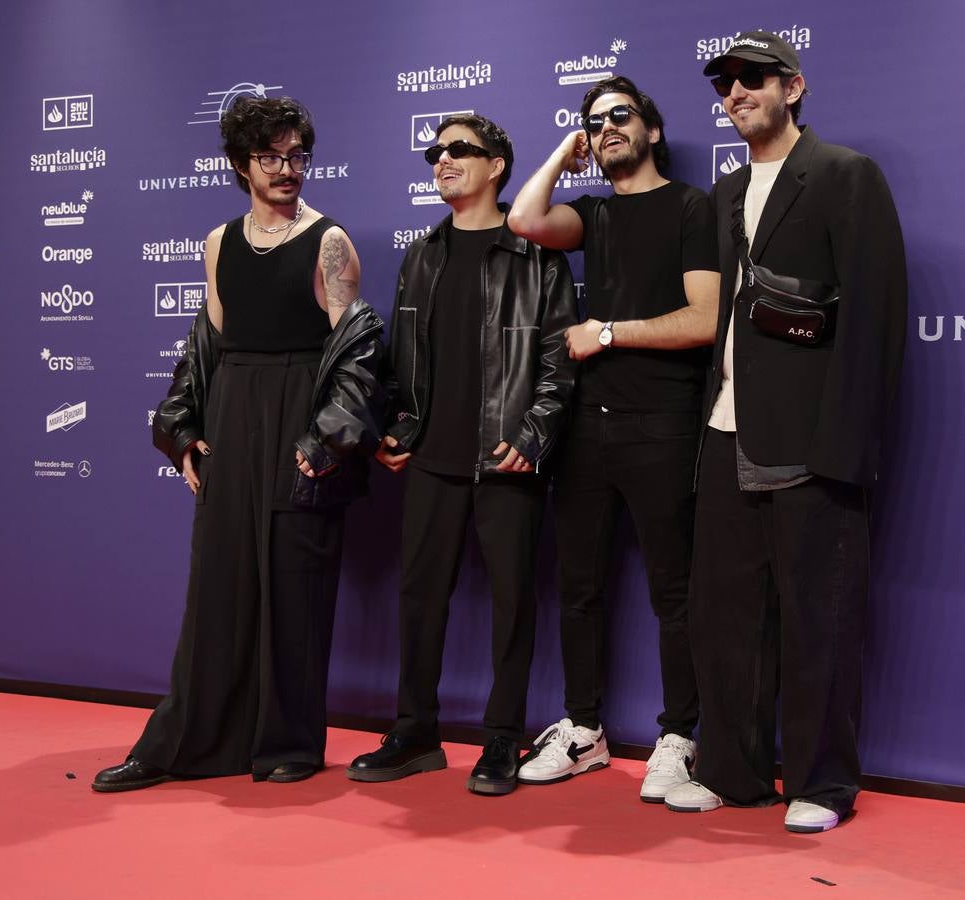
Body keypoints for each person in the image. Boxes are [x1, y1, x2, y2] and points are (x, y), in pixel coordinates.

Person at [92, 97, 385, 792]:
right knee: (217, 591)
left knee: (294, 587)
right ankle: (185, 740)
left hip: (296, 423)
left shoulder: (330, 241)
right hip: (232, 417)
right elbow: (206, 346)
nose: (287, 170)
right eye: (270, 157)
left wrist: (327, 437)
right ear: (240, 166)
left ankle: (287, 741)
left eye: (296, 155)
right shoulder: (219, 243)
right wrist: (185, 431)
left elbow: (358, 354)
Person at [662, 32, 907, 832]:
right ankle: (731, 773)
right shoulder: (726, 193)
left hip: (812, 441)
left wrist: (844, 450)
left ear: (792, 86)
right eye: (724, 83)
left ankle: (822, 784)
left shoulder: (844, 175)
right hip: (726, 431)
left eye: (752, 79)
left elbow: (873, 320)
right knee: (724, 616)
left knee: (819, 618)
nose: (735, 92)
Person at [346, 114, 577, 795]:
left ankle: (502, 739)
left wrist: (534, 434)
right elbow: (401, 364)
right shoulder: (422, 254)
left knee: (512, 603)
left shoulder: (536, 253)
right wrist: (396, 427)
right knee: (420, 600)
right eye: (434, 152)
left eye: (458, 151)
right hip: (433, 461)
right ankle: (415, 732)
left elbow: (560, 358)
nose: (441, 161)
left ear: (497, 165)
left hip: (507, 458)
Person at [507, 76, 720, 801]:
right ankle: (584, 730)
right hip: (587, 431)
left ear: (652, 130)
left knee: (675, 592)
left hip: (663, 424)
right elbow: (525, 221)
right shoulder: (592, 214)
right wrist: (563, 153)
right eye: (592, 123)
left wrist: (606, 331)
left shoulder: (693, 207)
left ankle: (679, 736)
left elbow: (703, 319)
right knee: (579, 588)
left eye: (619, 116)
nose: (605, 130)